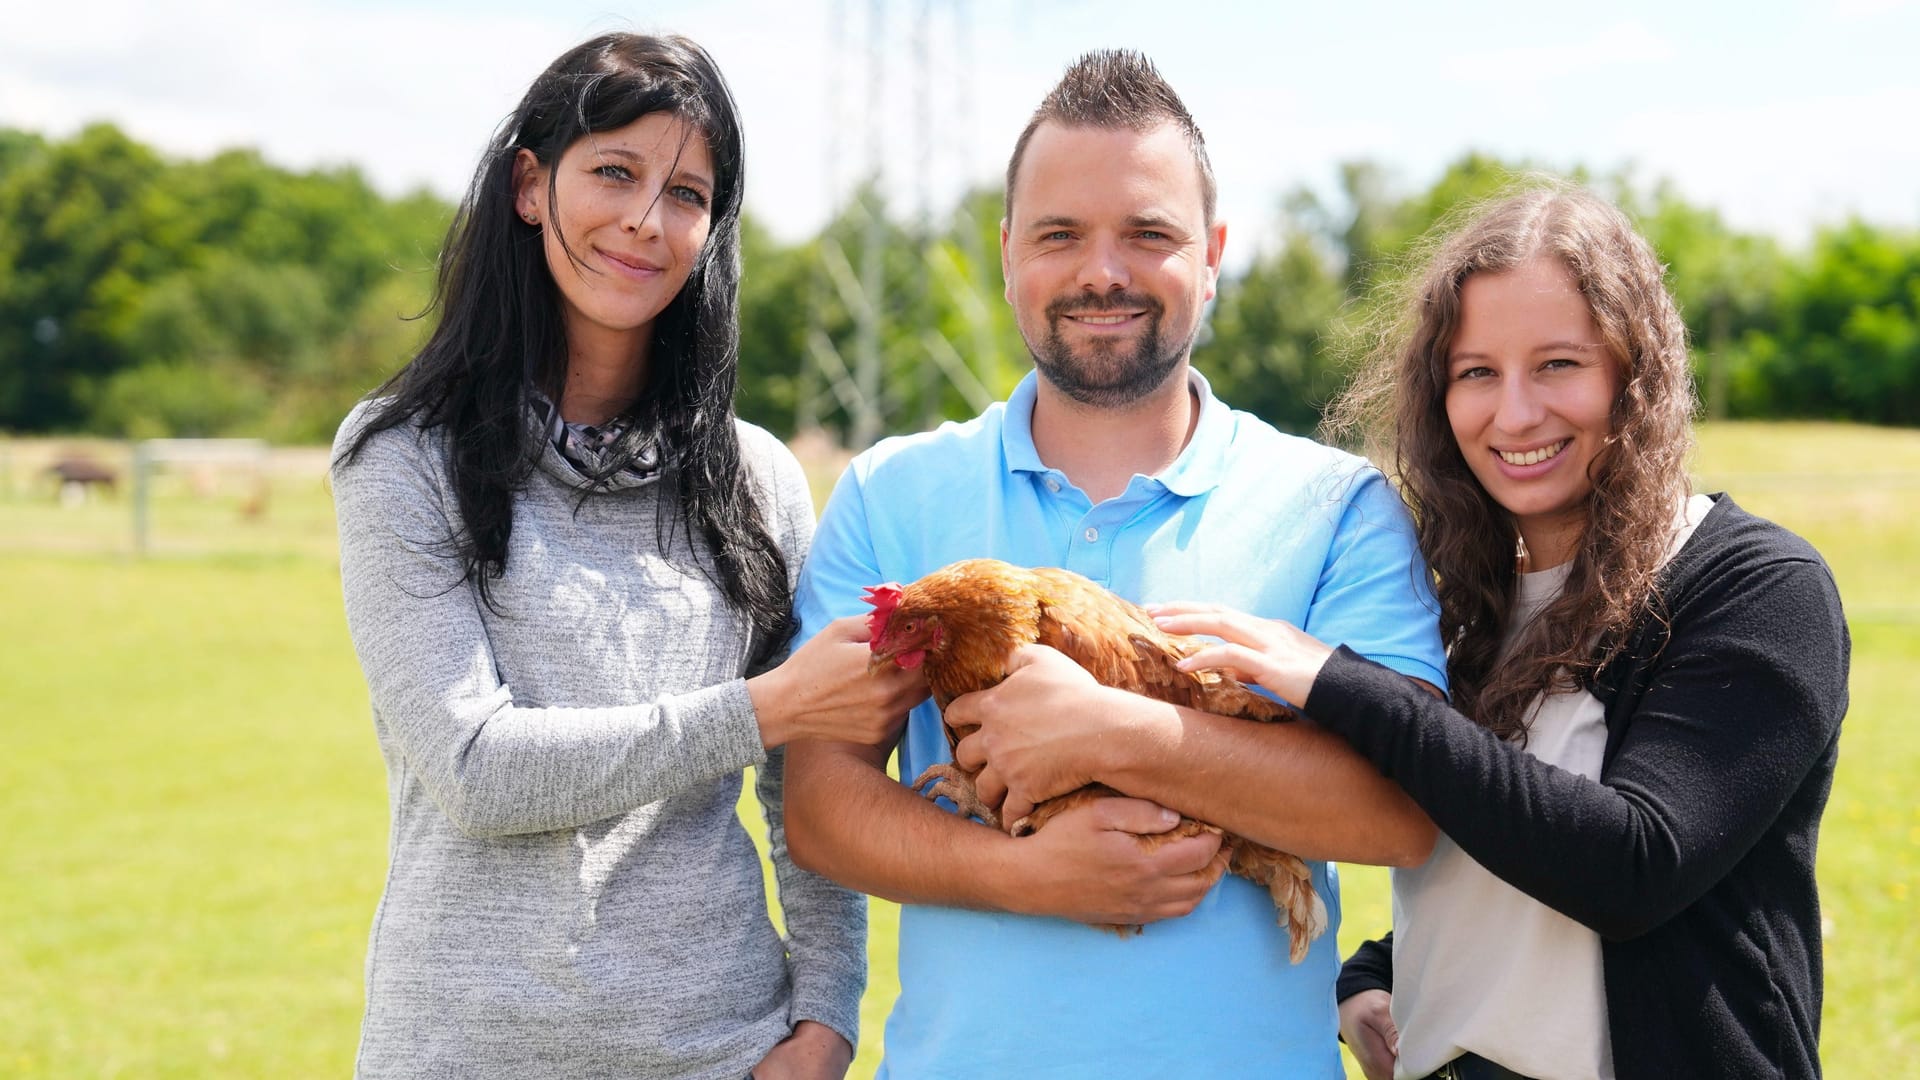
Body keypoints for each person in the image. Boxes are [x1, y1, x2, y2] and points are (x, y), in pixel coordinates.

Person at [783, 50, 1449, 1077]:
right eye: (1060, 235)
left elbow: (1404, 811)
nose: (1103, 272)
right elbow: (823, 808)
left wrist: (1120, 735)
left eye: (1150, 234)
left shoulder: (1332, 505)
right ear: (1008, 253)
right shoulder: (892, 494)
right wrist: (1030, 875)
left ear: (1214, 252)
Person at [1150, 186, 1850, 1079]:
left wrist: (1344, 682)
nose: (1513, 414)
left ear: (1638, 374)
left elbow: (1632, 866)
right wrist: (1371, 976)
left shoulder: (1756, 587)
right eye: (1476, 372)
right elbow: (1501, 849)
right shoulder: (1468, 604)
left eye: (1558, 364)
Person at [329, 33, 925, 1080]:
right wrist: (767, 707)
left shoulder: (759, 481)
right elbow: (476, 771)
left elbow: (808, 790)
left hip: (724, 1050)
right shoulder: (400, 457)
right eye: (615, 172)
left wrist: (828, 1018)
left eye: (688, 193)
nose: (647, 221)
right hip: (463, 1052)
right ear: (528, 184)